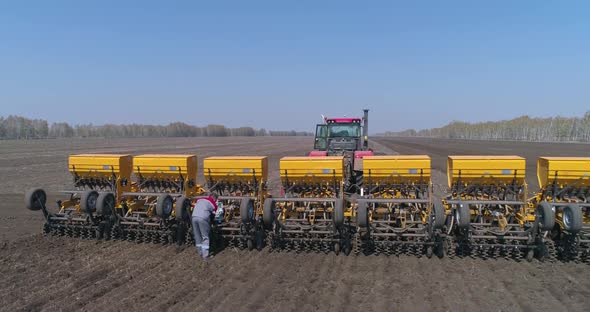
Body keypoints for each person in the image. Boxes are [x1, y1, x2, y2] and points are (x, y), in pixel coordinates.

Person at [192, 192, 218, 259]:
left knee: (197, 236)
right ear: (214, 198)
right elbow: (213, 214)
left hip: (194, 217)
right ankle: (205, 255)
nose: (216, 201)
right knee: (205, 236)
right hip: (203, 218)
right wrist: (213, 222)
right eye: (216, 200)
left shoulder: (199, 200)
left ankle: (200, 253)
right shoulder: (212, 202)